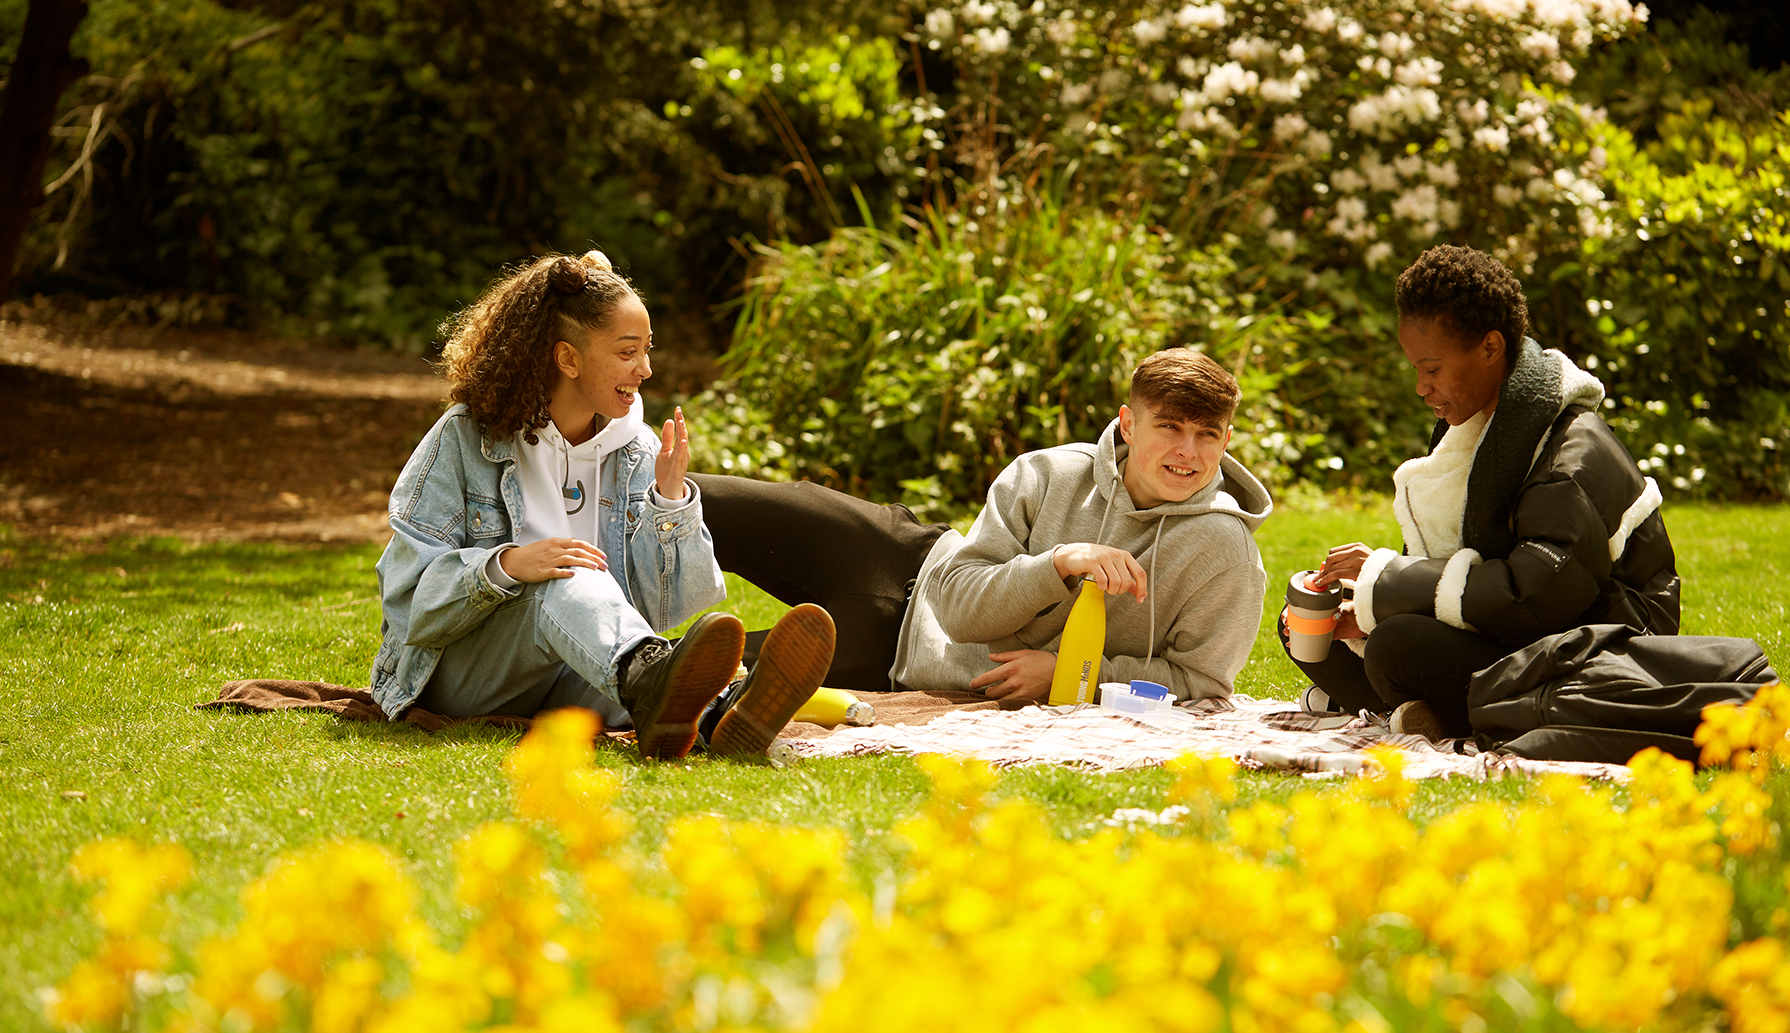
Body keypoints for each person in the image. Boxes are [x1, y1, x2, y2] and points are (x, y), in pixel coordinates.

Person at [369, 251, 833, 759]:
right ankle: (667, 685)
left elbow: (666, 607)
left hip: (571, 671)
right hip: (463, 676)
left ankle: (722, 717)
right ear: (567, 359)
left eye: (647, 350)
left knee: (627, 667)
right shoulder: (466, 437)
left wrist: (670, 503)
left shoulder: (636, 451)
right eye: (627, 351)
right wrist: (506, 566)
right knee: (568, 574)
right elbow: (408, 602)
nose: (646, 369)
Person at [694, 347, 1273, 702]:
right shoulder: (1049, 473)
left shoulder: (1225, 550)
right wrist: (1059, 563)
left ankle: (614, 653)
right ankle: (599, 524)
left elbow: (1202, 680)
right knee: (701, 501)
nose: (1188, 451)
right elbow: (961, 603)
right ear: (1127, 424)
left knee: (693, 671)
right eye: (1170, 427)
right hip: (904, 555)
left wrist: (1071, 674)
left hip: (896, 658)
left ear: (1227, 437)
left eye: (1207, 434)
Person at [1290, 244, 1679, 739]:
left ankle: (1415, 709)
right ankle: (1417, 709)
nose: (1420, 387)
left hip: (1608, 652)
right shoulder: (1483, 426)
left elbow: (1534, 597)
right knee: (1311, 629)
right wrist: (1364, 603)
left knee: (1397, 646)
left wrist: (1387, 583)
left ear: (1490, 348)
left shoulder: (1567, 456)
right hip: (1526, 636)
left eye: (1431, 368)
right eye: (1416, 369)